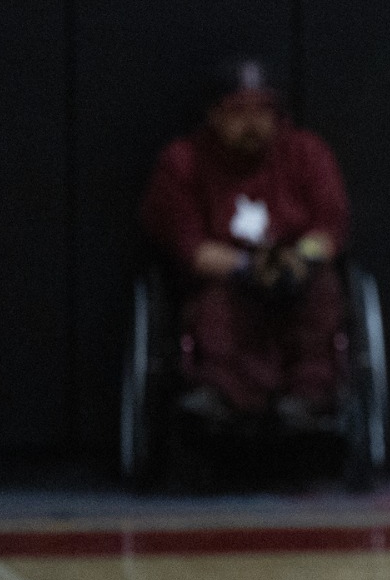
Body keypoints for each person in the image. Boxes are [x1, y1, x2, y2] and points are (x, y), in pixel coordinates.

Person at [140, 57, 351, 430]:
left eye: (261, 111)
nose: (252, 123)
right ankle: (223, 393)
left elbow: (329, 228)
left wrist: (298, 258)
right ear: (214, 115)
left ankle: (309, 396)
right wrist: (247, 267)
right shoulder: (183, 163)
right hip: (226, 274)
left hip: (295, 269)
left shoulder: (307, 154)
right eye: (238, 111)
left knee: (323, 291)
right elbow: (189, 245)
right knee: (215, 302)